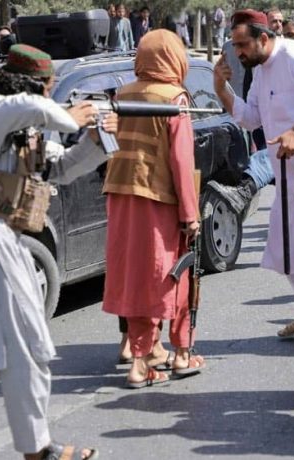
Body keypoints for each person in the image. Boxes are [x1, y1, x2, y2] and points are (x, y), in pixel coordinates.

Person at [0, 43, 112, 460]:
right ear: (28, 84)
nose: (50, 96)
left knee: (21, 352)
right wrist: (72, 113)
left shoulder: (18, 127)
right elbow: (32, 106)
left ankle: (36, 448)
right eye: (48, 87)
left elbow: (61, 168)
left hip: (5, 244)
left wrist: (96, 140)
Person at [213, 10, 294, 342]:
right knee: (284, 248)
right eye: (235, 45)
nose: (239, 52)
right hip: (284, 176)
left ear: (264, 38)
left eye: (243, 44)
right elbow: (252, 118)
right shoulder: (260, 70)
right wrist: (222, 89)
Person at [102, 29, 204, 387]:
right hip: (157, 199)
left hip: (119, 195)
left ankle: (144, 356)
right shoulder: (174, 98)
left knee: (135, 277)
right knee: (169, 276)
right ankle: (167, 357)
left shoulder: (123, 93)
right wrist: (190, 215)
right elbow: (181, 160)